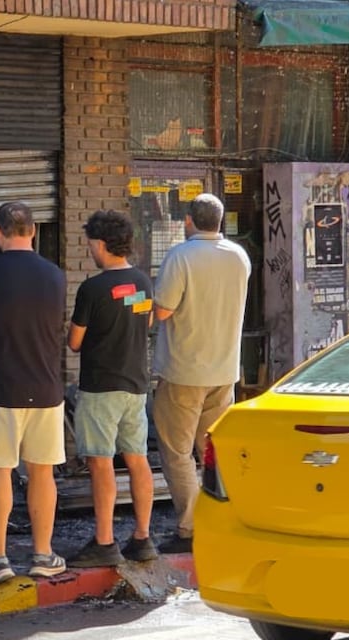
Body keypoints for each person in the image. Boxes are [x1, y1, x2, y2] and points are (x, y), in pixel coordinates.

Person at [0, 201, 67, 586]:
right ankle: (43, 554)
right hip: (46, 387)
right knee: (42, 472)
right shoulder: (55, 275)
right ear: (33, 231)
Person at [152, 193, 250, 554]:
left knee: (177, 451)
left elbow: (162, 311)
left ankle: (191, 528)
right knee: (213, 450)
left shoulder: (181, 255)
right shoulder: (239, 256)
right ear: (221, 221)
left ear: (188, 221)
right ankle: (226, 519)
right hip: (224, 369)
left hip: (183, 369)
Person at [66, 210, 157, 568]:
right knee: (137, 459)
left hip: (101, 386)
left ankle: (104, 541)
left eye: (90, 243)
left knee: (101, 462)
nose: (90, 249)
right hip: (136, 384)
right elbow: (145, 320)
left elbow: (75, 341)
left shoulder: (92, 288)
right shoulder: (143, 282)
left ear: (101, 244)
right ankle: (142, 537)